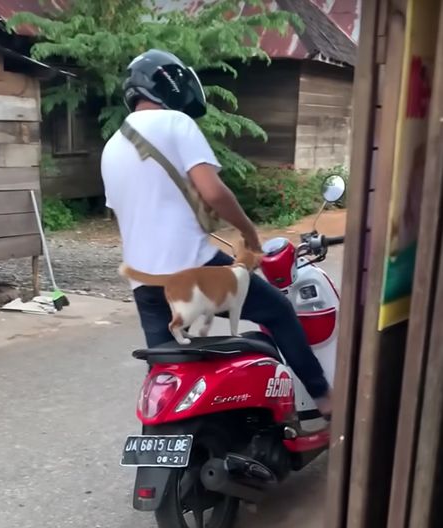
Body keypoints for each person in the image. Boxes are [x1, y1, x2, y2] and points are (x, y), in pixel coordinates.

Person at [101, 49, 332, 417]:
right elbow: (213, 192)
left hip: (144, 281)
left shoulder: (112, 146)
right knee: (278, 310)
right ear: (171, 85)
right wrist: (249, 233)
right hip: (194, 268)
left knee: (166, 367)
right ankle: (323, 398)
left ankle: (167, 433)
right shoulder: (176, 123)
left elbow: (127, 216)